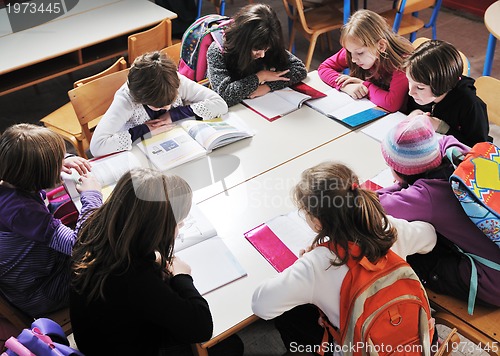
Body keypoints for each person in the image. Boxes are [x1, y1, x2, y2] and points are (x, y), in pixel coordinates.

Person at [251, 162, 437, 354]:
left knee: (289, 317)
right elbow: (430, 237)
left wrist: (302, 264)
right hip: (421, 344)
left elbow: (261, 306)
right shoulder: (387, 228)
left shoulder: (316, 264)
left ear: (317, 223)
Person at [70, 168, 243, 356]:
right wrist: (182, 276)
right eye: (180, 222)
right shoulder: (134, 278)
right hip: (122, 348)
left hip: (94, 337)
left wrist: (153, 258)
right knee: (229, 346)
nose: (182, 226)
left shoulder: (94, 227)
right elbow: (200, 327)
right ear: (157, 229)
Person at [377, 115, 500, 310]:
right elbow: (445, 141)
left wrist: (398, 188)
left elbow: (372, 206)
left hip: (492, 283)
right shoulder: (459, 154)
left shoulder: (426, 196)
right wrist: (404, 182)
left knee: (413, 258)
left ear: (400, 170)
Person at [0, 123, 102, 317]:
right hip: (42, 291)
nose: (61, 165)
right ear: (38, 172)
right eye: (56, 163)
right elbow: (81, 245)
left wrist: (60, 161)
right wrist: (91, 195)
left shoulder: (11, 181)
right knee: (109, 259)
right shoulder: (22, 211)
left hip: (38, 269)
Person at [90, 51, 229, 157]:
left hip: (177, 144)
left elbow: (220, 104)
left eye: (170, 103)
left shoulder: (172, 80)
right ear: (141, 99)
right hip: (141, 153)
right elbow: (97, 147)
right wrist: (145, 130)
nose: (167, 108)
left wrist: (173, 114)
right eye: (159, 106)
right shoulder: (126, 99)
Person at [206, 3, 307, 107]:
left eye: (266, 49)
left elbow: (299, 69)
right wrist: (260, 76)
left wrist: (268, 86)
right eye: (257, 50)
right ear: (243, 42)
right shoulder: (217, 51)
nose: (262, 55)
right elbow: (224, 96)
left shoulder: (267, 41)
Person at [317, 9, 414, 112]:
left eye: (359, 53)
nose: (353, 59)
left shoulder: (401, 63)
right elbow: (324, 68)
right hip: (372, 109)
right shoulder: (355, 49)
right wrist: (345, 86)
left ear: (381, 46)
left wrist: (364, 86)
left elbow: (391, 104)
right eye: (349, 52)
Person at [404, 40, 490, 147]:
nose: (410, 92)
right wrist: (414, 113)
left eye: (420, 87)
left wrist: (441, 128)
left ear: (442, 85)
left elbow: (477, 148)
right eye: (409, 81)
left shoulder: (471, 105)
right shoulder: (419, 89)